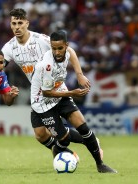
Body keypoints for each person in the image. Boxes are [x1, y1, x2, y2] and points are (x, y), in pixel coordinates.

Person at [1, 8, 103, 160]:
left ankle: (86, 144)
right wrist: (5, 89)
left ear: (27, 23)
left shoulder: (41, 40)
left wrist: (80, 75)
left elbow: (70, 51)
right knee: (40, 134)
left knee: (72, 127)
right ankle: (67, 153)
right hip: (39, 93)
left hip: (56, 88)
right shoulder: (8, 48)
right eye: (13, 23)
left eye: (20, 23)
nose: (17, 27)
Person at [30, 30, 117, 173]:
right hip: (43, 103)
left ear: (66, 45)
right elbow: (47, 92)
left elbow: (72, 53)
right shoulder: (47, 65)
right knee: (63, 139)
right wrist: (73, 93)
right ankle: (72, 144)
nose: (57, 52)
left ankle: (100, 165)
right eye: (54, 48)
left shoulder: (68, 51)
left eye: (60, 48)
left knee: (83, 127)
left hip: (60, 94)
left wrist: (80, 75)